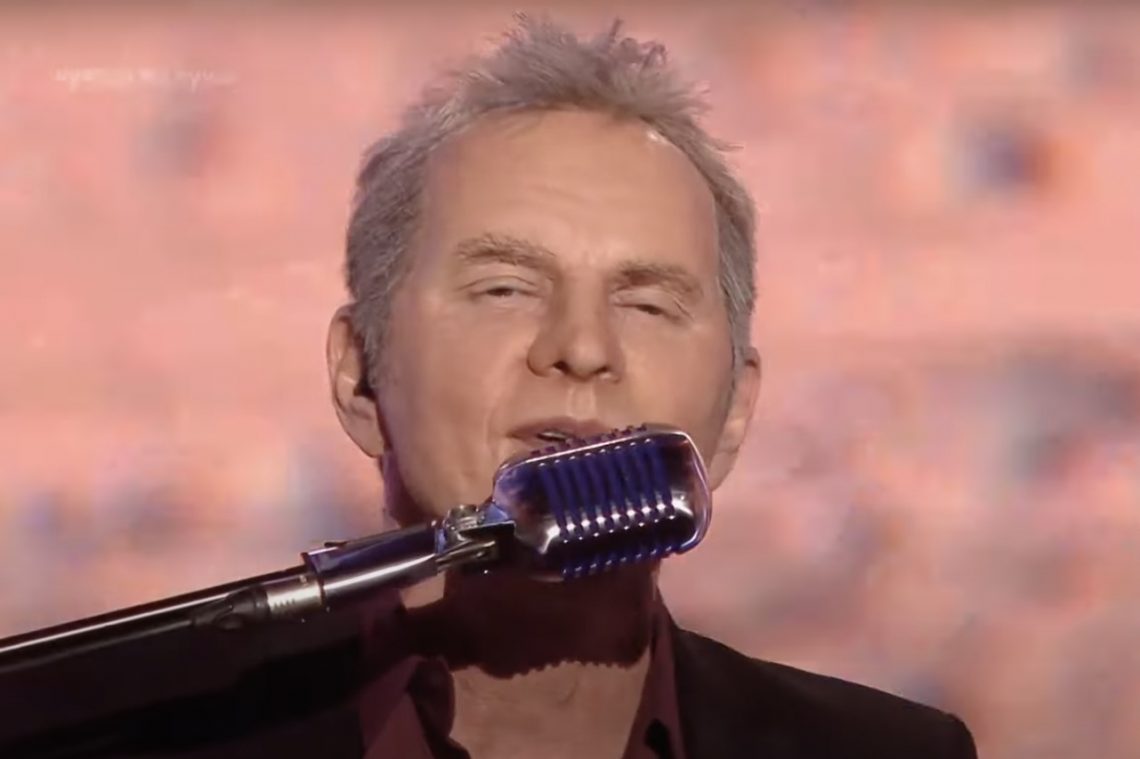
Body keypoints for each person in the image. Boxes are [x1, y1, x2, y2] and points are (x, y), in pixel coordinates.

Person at [0, 15, 977, 759]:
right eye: (506, 288)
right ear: (358, 373)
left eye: (646, 302)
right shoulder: (98, 732)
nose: (581, 349)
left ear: (735, 416)